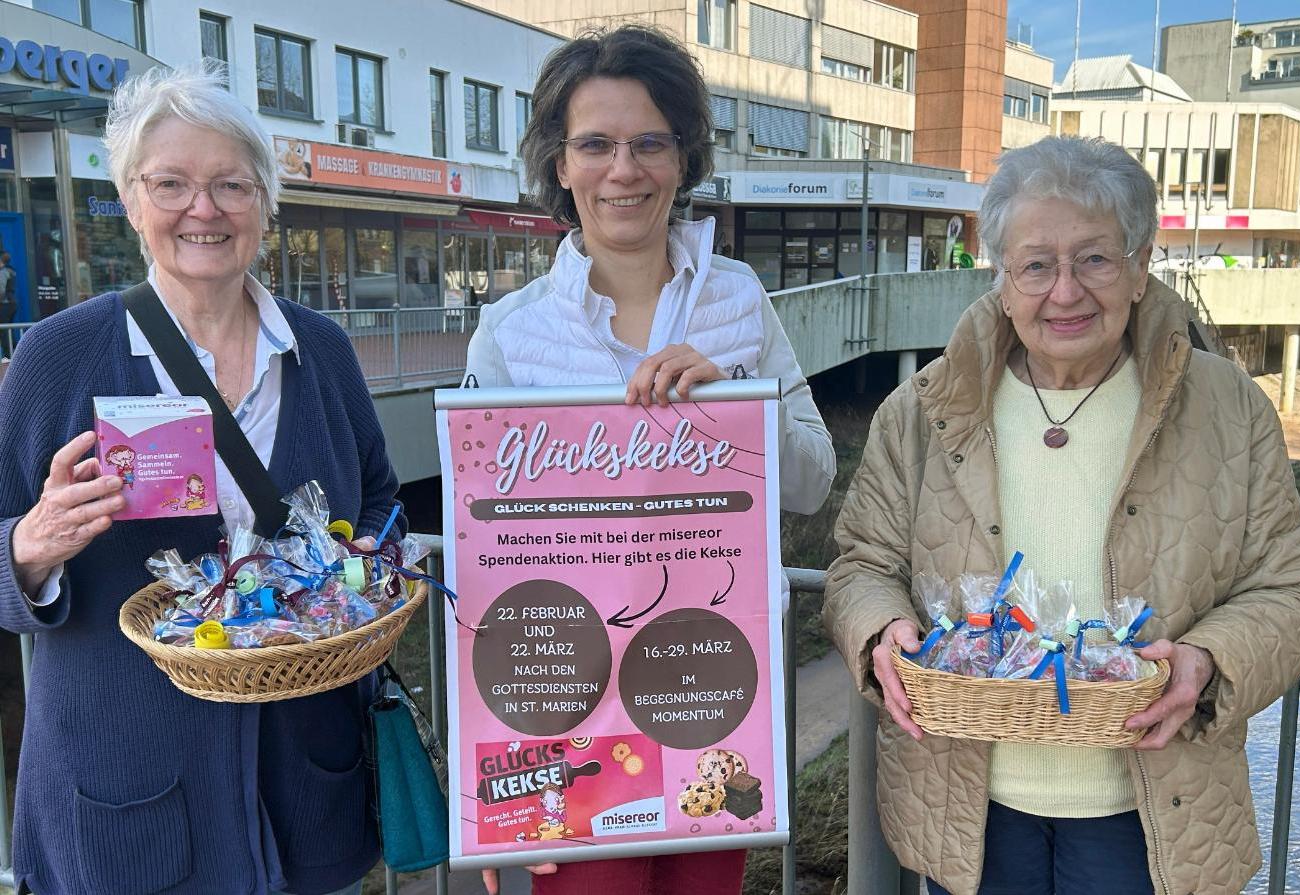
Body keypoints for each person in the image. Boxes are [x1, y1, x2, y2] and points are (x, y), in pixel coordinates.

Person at [823, 136, 1300, 895]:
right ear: (1000, 277)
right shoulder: (922, 409)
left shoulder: (1226, 407)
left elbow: (1295, 596)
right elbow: (861, 563)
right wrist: (879, 629)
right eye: (1035, 264)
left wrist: (1208, 660)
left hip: (1156, 807)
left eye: (1093, 259)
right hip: (967, 808)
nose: (1064, 292)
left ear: (1138, 266)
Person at [0, 64, 402, 895]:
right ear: (132, 199)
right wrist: (29, 549)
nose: (204, 210)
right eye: (172, 184)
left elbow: (380, 498)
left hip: (301, 772)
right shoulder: (58, 358)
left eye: (230, 185)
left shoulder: (320, 351)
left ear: (264, 201)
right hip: (125, 781)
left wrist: (365, 560)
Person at [465, 24, 836, 895]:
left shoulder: (741, 300)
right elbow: (483, 564)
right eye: (593, 144)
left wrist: (731, 411)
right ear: (559, 164)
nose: (621, 170)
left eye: (648, 143)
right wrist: (494, 803)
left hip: (709, 693)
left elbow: (814, 478)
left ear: (682, 158)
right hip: (568, 714)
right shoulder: (511, 331)